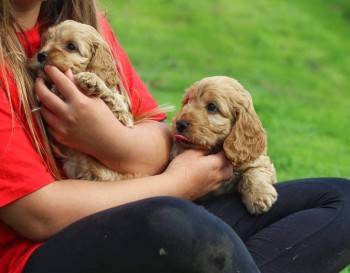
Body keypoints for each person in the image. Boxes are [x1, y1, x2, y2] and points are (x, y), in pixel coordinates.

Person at [0, 1, 349, 273]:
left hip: (145, 212)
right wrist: (180, 183)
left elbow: (160, 133)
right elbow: (38, 215)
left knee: (340, 201)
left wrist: (106, 139)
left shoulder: (81, 21)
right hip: (37, 254)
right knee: (179, 225)